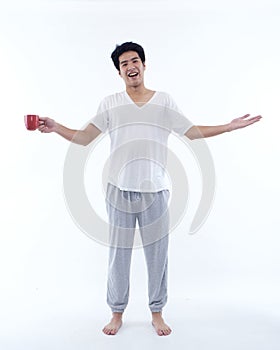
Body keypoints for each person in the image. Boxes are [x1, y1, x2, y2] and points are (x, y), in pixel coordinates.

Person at [38, 42, 262, 336]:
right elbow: (84, 138)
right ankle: (116, 313)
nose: (130, 67)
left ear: (144, 65)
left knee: (157, 255)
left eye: (135, 61)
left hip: (155, 191)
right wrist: (56, 127)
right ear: (119, 72)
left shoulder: (164, 102)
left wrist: (228, 127)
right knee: (119, 255)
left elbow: (191, 133)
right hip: (119, 190)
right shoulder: (110, 103)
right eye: (124, 64)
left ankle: (157, 312)